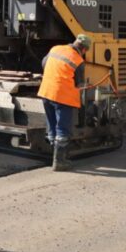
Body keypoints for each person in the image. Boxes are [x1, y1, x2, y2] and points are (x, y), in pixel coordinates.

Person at [37, 34, 92, 171]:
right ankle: (59, 162)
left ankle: (53, 156)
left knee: (52, 127)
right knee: (62, 129)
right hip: (63, 98)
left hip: (46, 93)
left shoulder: (55, 49)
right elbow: (79, 84)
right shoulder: (78, 60)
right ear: (84, 49)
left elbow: (43, 64)